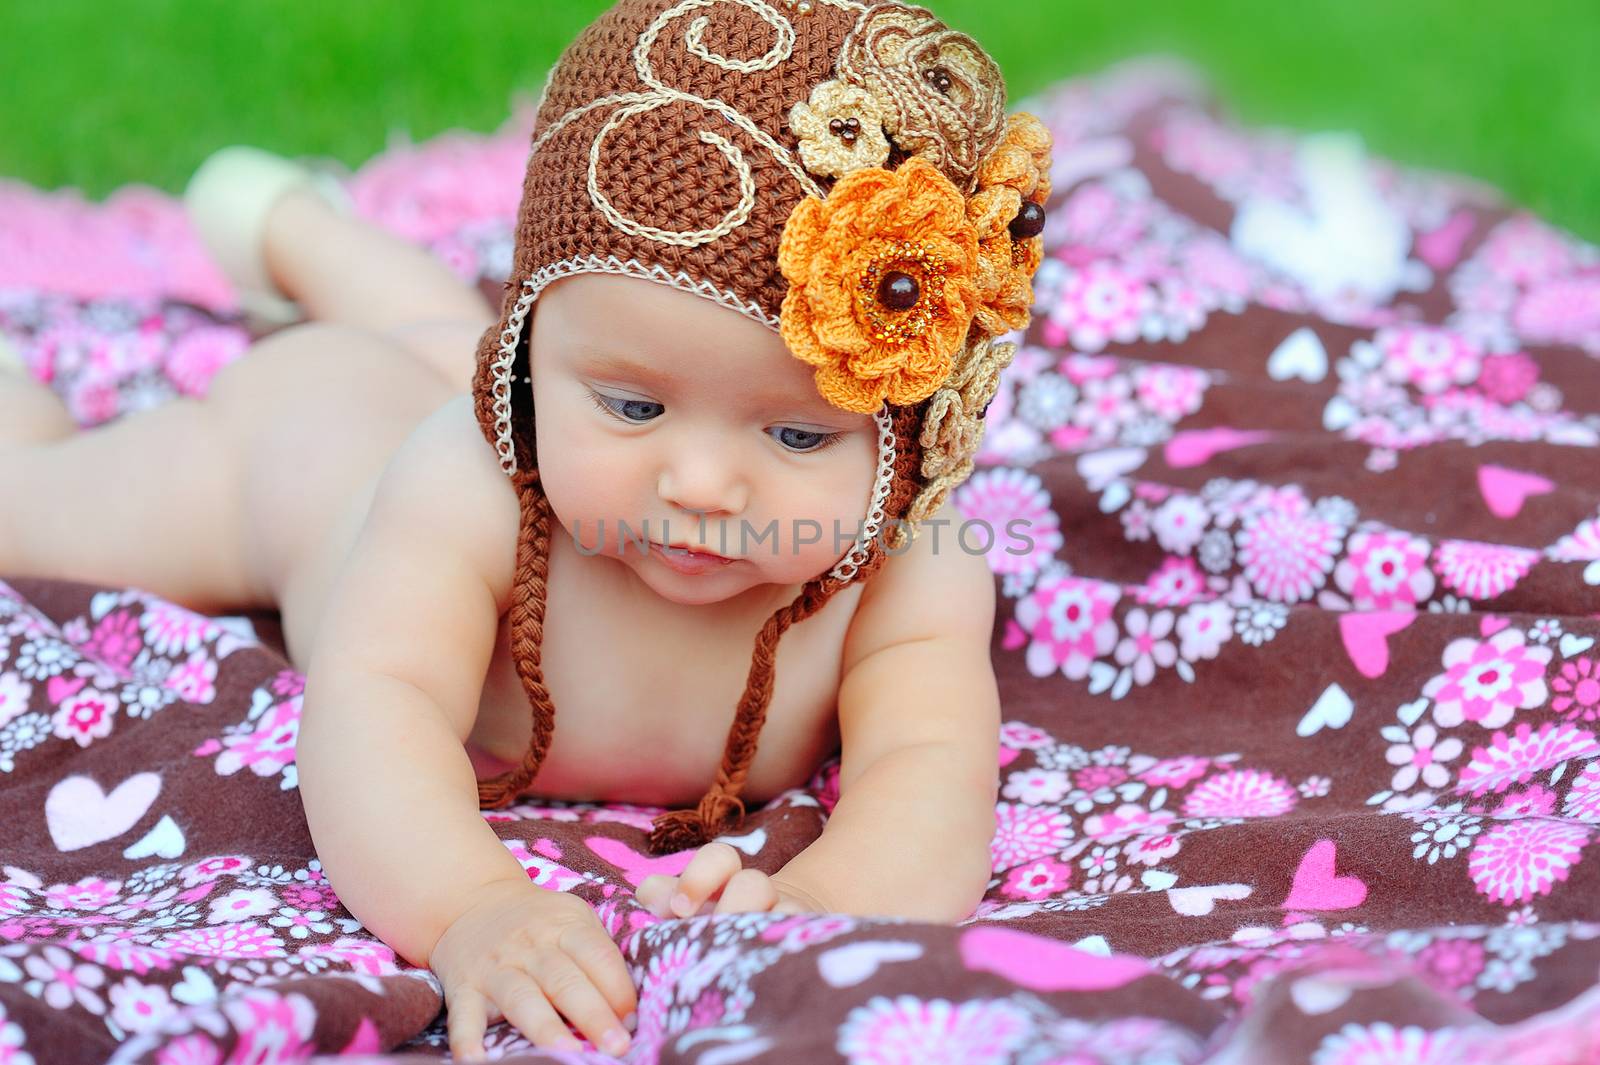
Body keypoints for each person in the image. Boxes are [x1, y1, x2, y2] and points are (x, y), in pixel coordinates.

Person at [0, 0, 1052, 1058]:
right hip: (316, 451)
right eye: (633, 409)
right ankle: (279, 248)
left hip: (505, 372)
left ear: (909, 442)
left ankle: (296, 228)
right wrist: (469, 905)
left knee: (448, 335)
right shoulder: (467, 488)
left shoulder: (910, 565)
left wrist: (834, 897)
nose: (698, 484)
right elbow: (378, 701)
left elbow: (930, 768)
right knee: (36, 510)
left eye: (795, 434)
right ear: (529, 358)